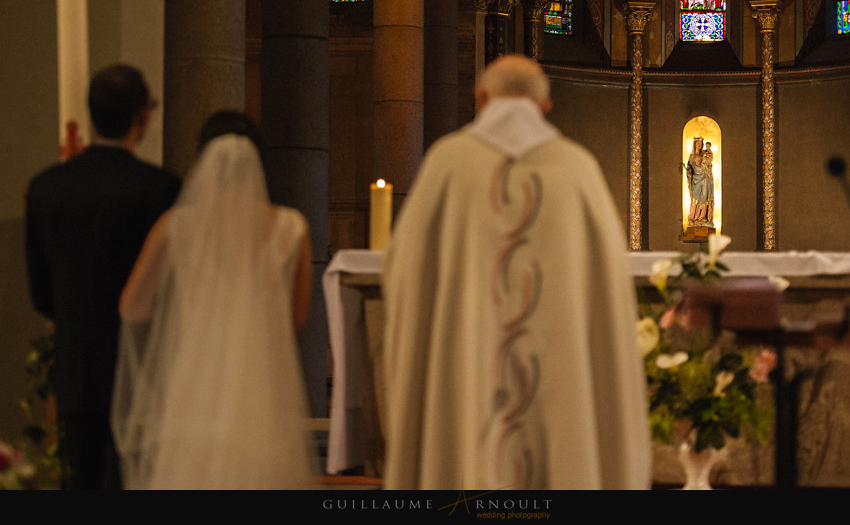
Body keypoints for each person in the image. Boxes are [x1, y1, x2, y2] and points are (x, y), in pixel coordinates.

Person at [382, 54, 650, 490]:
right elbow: (609, 290)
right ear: (545, 106)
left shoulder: (447, 163)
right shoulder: (578, 169)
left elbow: (406, 271)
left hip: (465, 382)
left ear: (480, 98)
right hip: (564, 390)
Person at [111, 111, 316, 490]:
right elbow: (296, 320)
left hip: (192, 387)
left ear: (202, 160)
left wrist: (177, 314)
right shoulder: (293, 226)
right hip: (263, 392)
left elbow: (132, 305)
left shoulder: (176, 224)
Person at [25, 64, 181, 489]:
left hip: (76, 366)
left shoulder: (46, 187)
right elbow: (172, 290)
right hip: (142, 369)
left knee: (82, 484)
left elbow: (41, 293)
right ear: (142, 117)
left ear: (91, 113)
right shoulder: (161, 188)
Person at [685, 136, 714, 227]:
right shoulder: (692, 156)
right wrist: (689, 172)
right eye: (697, 143)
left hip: (705, 178)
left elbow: (709, 163)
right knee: (695, 199)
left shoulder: (704, 154)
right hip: (696, 180)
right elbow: (690, 168)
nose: (699, 145)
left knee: (705, 198)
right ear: (694, 145)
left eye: (701, 144)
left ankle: (702, 218)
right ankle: (693, 218)